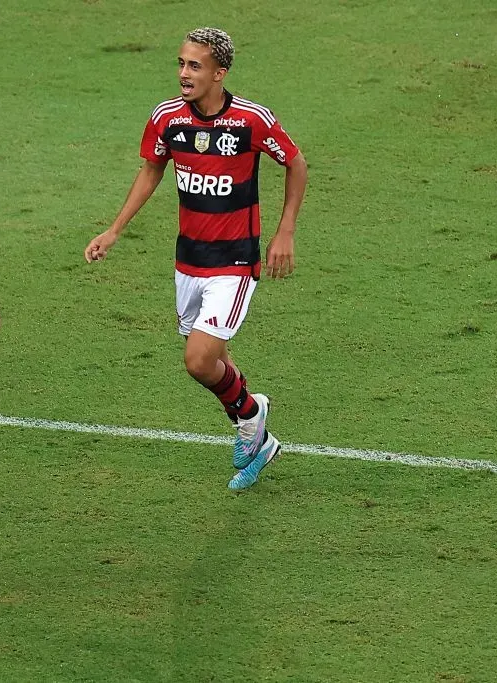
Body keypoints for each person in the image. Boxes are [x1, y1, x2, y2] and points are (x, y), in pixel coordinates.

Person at [84, 28, 307, 490]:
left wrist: (285, 231)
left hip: (234, 263)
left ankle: (250, 416)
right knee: (215, 361)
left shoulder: (251, 120)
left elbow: (296, 163)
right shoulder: (167, 118)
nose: (184, 74)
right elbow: (151, 171)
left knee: (199, 360)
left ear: (219, 73)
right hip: (189, 261)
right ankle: (260, 437)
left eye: (195, 66)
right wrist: (114, 229)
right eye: (181, 64)